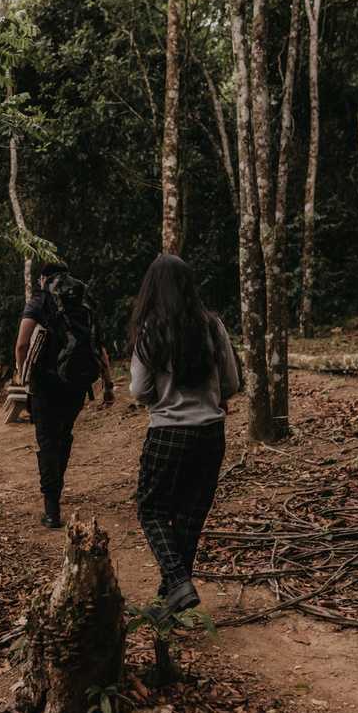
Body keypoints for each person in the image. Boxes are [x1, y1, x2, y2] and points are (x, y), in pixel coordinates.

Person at [128, 254, 239, 622]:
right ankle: (167, 605)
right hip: (211, 434)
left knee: (151, 509)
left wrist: (164, 393)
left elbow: (140, 390)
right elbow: (231, 384)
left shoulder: (150, 329)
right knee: (189, 519)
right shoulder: (212, 326)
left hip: (169, 434)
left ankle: (176, 583)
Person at [15, 260, 115, 529]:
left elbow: (22, 344)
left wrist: (22, 374)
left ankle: (52, 511)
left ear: (44, 278)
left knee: (47, 444)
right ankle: (55, 490)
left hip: (45, 386)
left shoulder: (38, 301)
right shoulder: (83, 300)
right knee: (64, 435)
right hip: (77, 383)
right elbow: (98, 344)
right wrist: (108, 384)